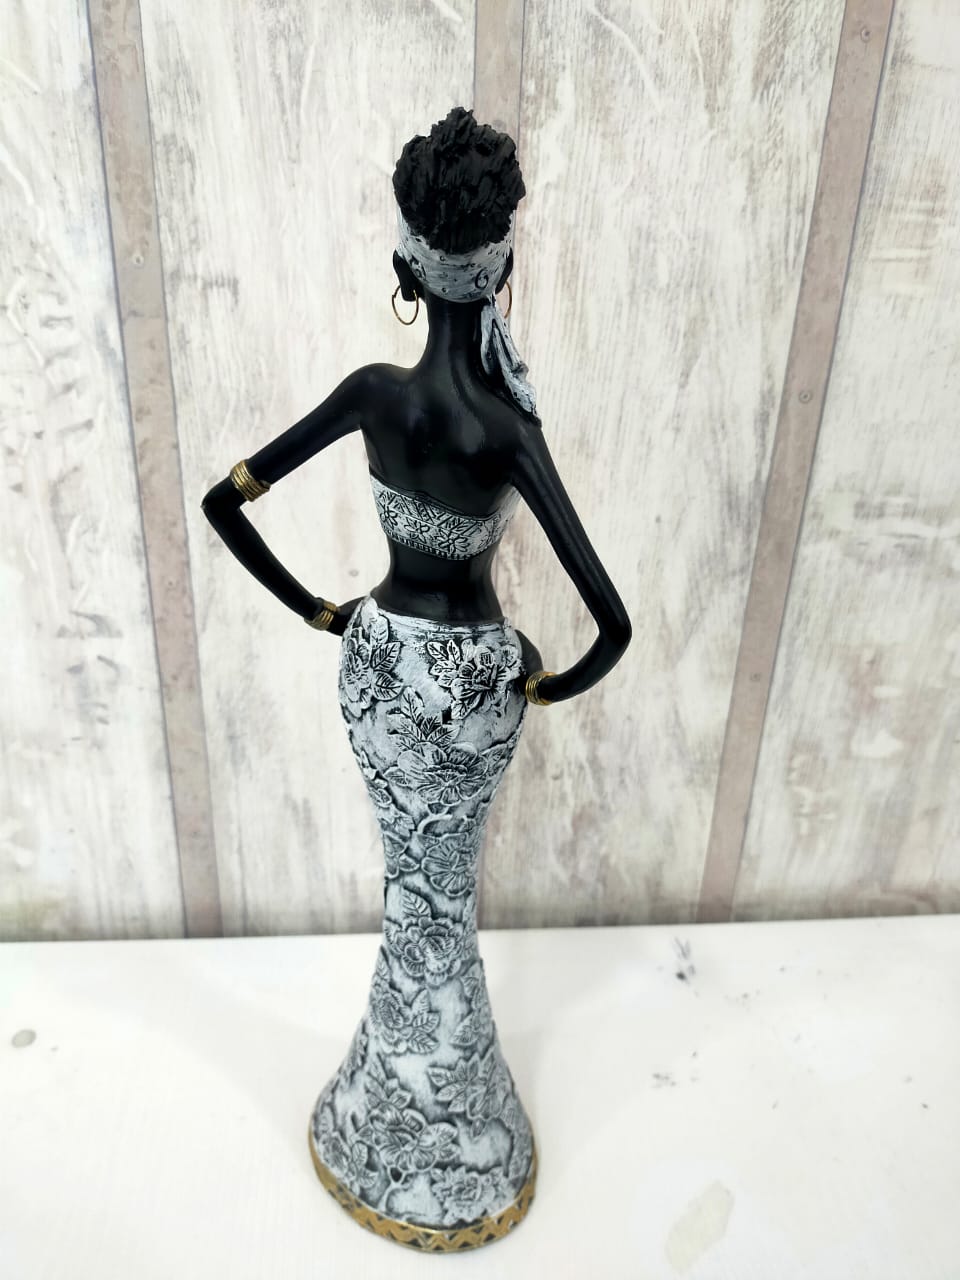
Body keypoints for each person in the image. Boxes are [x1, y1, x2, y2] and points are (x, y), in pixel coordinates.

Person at [201, 107, 630, 1250]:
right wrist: (535, 683)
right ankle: (441, 1120)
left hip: (379, 666)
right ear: (502, 271)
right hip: (473, 687)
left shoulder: (373, 395)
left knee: (418, 893)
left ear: (405, 268)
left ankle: (400, 1114)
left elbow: (224, 503)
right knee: (437, 895)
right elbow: (613, 625)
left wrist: (325, 613)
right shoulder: (504, 429)